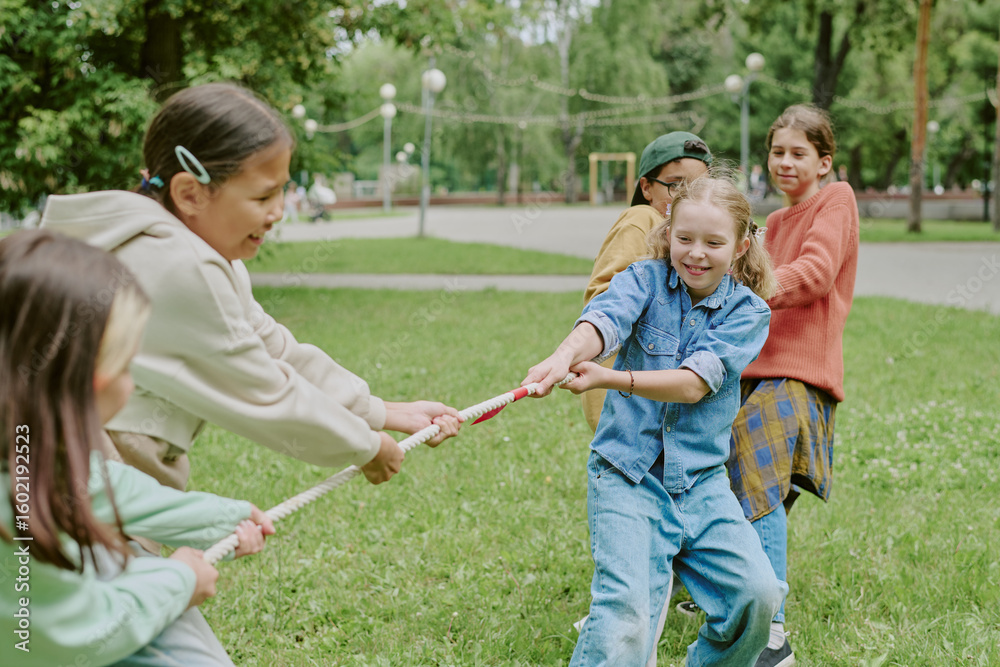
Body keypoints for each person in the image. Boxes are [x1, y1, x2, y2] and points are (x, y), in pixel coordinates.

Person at [40, 82, 460, 495]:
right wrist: (366, 445)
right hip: (74, 480)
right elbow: (264, 393)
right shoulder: (177, 266)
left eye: (283, 192)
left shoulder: (199, 251)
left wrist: (382, 412)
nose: (279, 212)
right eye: (263, 198)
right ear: (190, 193)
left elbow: (274, 348)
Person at [523, 173, 786, 667]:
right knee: (625, 616)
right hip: (627, 476)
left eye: (714, 242)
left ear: (741, 244)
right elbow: (603, 320)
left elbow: (691, 384)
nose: (696, 254)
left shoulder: (748, 312)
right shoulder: (642, 280)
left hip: (701, 485)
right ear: (668, 231)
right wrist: (564, 356)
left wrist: (606, 378)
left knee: (759, 595)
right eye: (685, 238)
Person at [0, 229, 275, 666]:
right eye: (126, 365)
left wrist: (222, 519)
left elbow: (106, 486)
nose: (132, 383)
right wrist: (179, 581)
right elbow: (69, 637)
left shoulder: (25, 448)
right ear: (85, 381)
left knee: (124, 564)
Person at [726, 104, 860, 667]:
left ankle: (773, 633)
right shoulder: (771, 224)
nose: (784, 161)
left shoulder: (836, 200)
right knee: (740, 487)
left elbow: (817, 271)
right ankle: (730, 591)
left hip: (800, 375)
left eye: (798, 153)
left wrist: (752, 287)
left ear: (823, 161)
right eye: (777, 151)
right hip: (753, 371)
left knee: (756, 475)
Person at [581, 131, 713, 432]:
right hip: (625, 398)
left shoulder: (696, 241)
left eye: (700, 187)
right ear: (647, 187)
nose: (688, 197)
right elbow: (604, 297)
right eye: (676, 185)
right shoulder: (642, 219)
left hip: (663, 394)